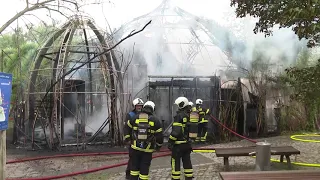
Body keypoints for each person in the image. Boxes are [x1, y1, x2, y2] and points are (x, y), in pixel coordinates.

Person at [124, 101, 163, 180]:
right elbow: (159, 136)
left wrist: (128, 139)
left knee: (134, 169)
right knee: (144, 170)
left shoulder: (135, 118)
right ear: (153, 109)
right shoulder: (156, 121)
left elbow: (126, 128)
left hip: (135, 148)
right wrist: (158, 146)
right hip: (147, 150)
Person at [168, 97, 194, 180]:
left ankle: (175, 178)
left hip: (178, 146)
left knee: (175, 163)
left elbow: (176, 131)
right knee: (187, 162)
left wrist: (170, 141)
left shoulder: (179, 116)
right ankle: (189, 178)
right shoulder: (189, 115)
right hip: (187, 144)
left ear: (181, 105)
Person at [124, 98, 144, 179]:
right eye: (138, 105)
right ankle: (128, 174)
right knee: (132, 158)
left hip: (142, 140)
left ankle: (139, 173)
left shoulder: (144, 115)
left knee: (141, 158)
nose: (139, 107)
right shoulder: (130, 115)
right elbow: (126, 128)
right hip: (133, 140)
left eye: (140, 106)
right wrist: (128, 139)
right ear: (134, 106)